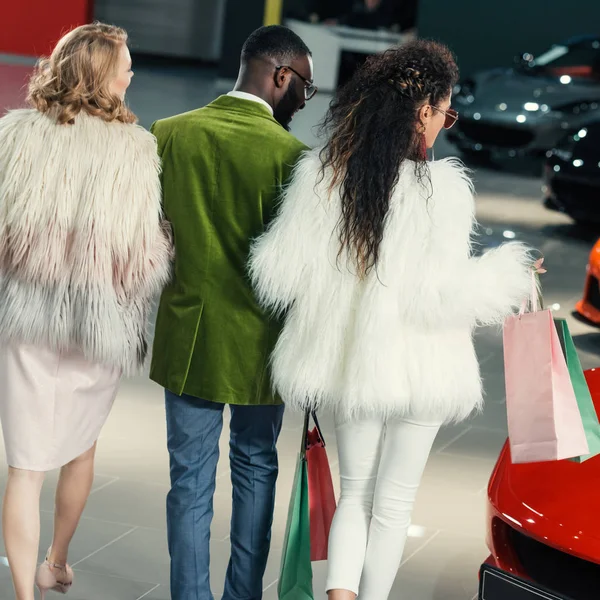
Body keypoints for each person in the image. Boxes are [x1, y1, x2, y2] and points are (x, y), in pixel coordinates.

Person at [249, 40, 534, 600]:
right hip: (425, 367)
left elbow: (278, 273)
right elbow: (441, 295)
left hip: (354, 363)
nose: (443, 126)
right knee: (394, 503)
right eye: (444, 112)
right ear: (423, 109)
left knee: (353, 495)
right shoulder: (443, 192)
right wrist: (510, 273)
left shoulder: (323, 179)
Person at [0, 22, 172, 600]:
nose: (131, 73)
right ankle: (57, 561)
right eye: (124, 63)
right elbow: (141, 258)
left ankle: (24, 593)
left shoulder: (16, 133)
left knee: (24, 468)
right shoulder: (136, 149)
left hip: (27, 314)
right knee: (79, 448)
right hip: (98, 324)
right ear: (102, 75)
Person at [149, 25, 315, 600]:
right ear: (281, 77)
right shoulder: (294, 158)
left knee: (189, 482)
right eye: (306, 89)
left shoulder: (169, 134)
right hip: (261, 345)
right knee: (255, 469)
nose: (304, 101)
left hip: (186, 335)